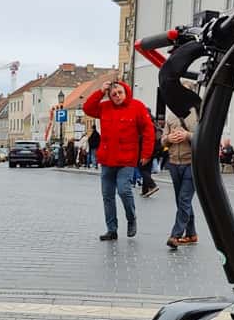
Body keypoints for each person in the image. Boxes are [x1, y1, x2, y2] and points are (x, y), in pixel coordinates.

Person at [83, 79, 154, 240]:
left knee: (124, 190)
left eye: (120, 92)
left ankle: (131, 218)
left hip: (127, 159)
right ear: (110, 96)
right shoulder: (104, 107)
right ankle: (112, 229)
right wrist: (100, 91)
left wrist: (146, 154)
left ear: (126, 91)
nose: (117, 96)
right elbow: (88, 108)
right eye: (113, 94)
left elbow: (148, 130)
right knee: (107, 195)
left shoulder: (137, 107)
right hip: (107, 158)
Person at [161, 113, 197, 249]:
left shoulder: (198, 113)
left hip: (192, 163)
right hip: (174, 163)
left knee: (184, 199)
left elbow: (205, 138)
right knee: (182, 200)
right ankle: (191, 234)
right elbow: (162, 140)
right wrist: (168, 138)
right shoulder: (170, 116)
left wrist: (187, 135)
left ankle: (175, 235)